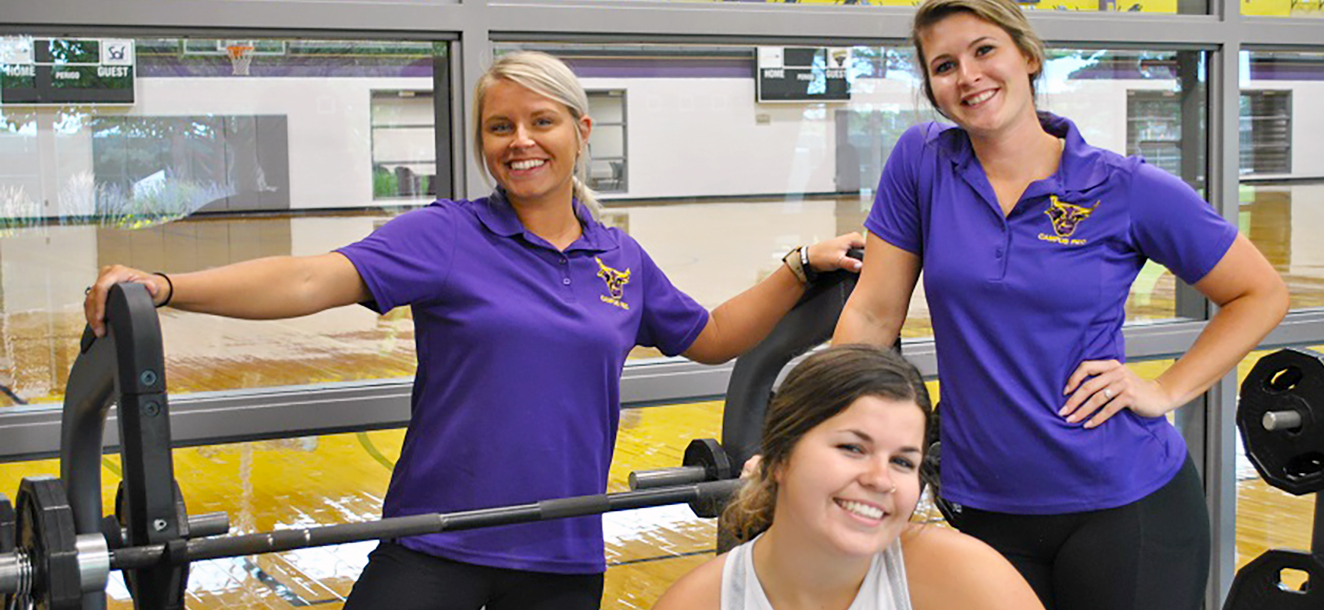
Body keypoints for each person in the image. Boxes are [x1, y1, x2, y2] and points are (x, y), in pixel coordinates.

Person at [84, 51, 864, 610]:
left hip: (563, 554)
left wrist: (800, 265)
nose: (520, 140)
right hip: (434, 544)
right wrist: (168, 286)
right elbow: (310, 278)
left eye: (541, 121)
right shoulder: (447, 235)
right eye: (500, 126)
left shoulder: (618, 258)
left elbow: (716, 334)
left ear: (580, 130)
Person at [831, 2, 1290, 609]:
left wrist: (1165, 390)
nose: (967, 74)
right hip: (983, 503)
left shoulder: (1122, 187)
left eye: (984, 50)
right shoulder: (922, 164)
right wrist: (817, 431)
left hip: (1123, 507)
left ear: (1027, 56)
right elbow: (872, 315)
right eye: (945, 65)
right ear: (933, 90)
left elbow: (1260, 293)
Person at [654, 344, 1042, 610]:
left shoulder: (962, 578)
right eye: (852, 449)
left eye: (903, 462)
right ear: (779, 458)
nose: (880, 479)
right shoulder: (702, 600)